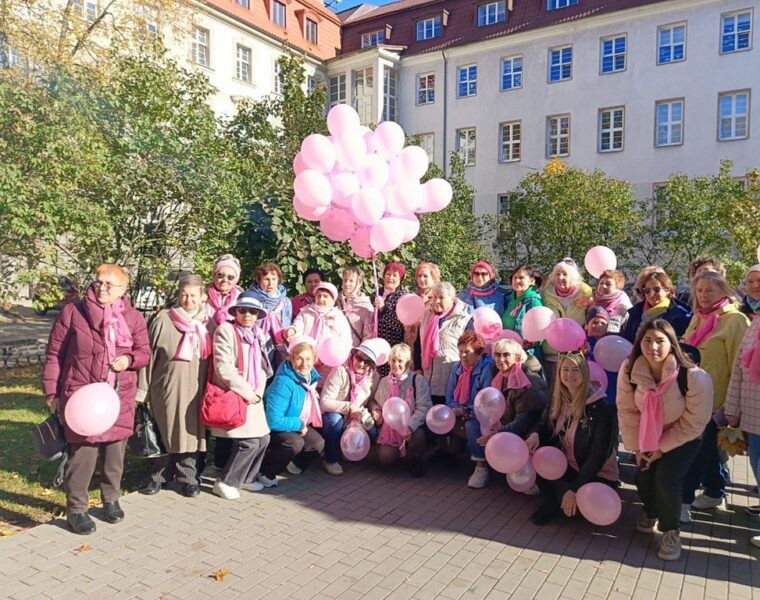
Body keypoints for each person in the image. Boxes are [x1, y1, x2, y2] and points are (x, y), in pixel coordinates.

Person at [42, 264, 150, 535]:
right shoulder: (73, 312)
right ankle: (77, 509)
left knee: (115, 454)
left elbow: (144, 352)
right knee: (83, 455)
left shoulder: (134, 317)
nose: (102, 288)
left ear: (123, 290)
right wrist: (52, 393)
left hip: (118, 397)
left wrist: (129, 359)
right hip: (80, 397)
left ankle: (110, 499)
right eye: (99, 282)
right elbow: (54, 354)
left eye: (109, 285)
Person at [617, 319, 712, 560]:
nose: (653, 348)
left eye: (660, 341)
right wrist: (638, 448)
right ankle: (651, 511)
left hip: (685, 434)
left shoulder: (694, 377)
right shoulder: (629, 370)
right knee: (643, 477)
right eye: (647, 341)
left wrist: (659, 448)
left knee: (666, 480)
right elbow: (627, 410)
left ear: (672, 344)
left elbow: (694, 423)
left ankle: (671, 531)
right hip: (647, 433)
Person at [681, 272, 749, 516]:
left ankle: (683, 501)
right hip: (691, 396)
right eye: (699, 290)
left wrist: (732, 406)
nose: (703, 295)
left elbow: (738, 367)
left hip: (717, 401)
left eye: (710, 290)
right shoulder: (698, 317)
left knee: (697, 450)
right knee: (707, 449)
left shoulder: (735, 320)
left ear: (723, 290)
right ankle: (714, 491)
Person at [137, 274, 210, 497]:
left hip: (196, 388)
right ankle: (158, 476)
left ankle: (188, 478)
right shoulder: (164, 320)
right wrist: (142, 391)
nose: (189, 300)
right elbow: (148, 357)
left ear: (203, 297)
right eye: (184, 295)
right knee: (164, 429)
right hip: (167, 385)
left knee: (191, 432)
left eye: (193, 295)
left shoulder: (208, 324)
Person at [526, 352, 619, 527]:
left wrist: (575, 488)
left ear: (585, 373)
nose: (569, 375)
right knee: (536, 456)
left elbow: (598, 456)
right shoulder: (558, 398)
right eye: (565, 369)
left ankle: (561, 497)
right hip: (566, 464)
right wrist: (535, 434)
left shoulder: (602, 408)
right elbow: (543, 423)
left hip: (595, 472)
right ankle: (555, 499)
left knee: (579, 512)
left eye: (575, 370)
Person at [208, 292, 272, 500]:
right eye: (242, 310)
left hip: (254, 395)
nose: (247, 315)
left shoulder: (258, 334)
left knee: (263, 438)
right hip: (234, 394)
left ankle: (247, 478)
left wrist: (257, 393)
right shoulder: (226, 330)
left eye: (252, 312)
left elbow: (263, 366)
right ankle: (226, 481)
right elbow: (223, 368)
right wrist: (246, 392)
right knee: (249, 443)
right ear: (235, 311)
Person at [477, 338, 548, 493]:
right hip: (512, 425)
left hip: (535, 431)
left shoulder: (527, 381)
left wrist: (496, 435)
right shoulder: (500, 376)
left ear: (517, 357)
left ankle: (530, 475)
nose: (500, 359)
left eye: (506, 355)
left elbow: (525, 422)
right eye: (497, 355)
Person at [259, 338, 326, 486]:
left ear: (314, 359)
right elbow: (273, 421)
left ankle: (292, 464)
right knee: (295, 442)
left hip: (295, 423)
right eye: (299, 359)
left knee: (317, 443)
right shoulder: (283, 382)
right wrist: (299, 425)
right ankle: (265, 471)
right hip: (275, 427)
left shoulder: (310, 379)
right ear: (290, 358)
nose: (304, 364)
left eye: (308, 359)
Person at [319, 339, 384, 476]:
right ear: (353, 354)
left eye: (367, 362)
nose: (361, 364)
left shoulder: (374, 377)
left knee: (374, 433)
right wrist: (349, 407)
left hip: (358, 414)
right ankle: (330, 459)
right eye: (359, 357)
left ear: (372, 365)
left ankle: (348, 451)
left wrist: (375, 410)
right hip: (336, 412)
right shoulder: (340, 370)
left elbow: (370, 399)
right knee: (335, 421)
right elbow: (324, 402)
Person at [369, 343, 432, 477]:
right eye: (393, 360)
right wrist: (376, 410)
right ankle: (400, 455)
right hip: (390, 430)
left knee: (418, 436)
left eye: (400, 361)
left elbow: (424, 407)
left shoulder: (418, 380)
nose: (395, 364)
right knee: (386, 458)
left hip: (412, 428)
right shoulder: (385, 381)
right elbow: (375, 402)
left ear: (408, 363)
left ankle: (417, 459)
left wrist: (410, 426)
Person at [725, 311, 760, 547]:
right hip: (754, 411)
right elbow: (738, 367)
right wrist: (732, 406)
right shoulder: (756, 321)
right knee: (757, 463)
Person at [445, 332, 494, 487]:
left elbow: (487, 400)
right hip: (459, 410)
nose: (463, 356)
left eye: (467, 352)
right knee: (438, 417)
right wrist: (455, 409)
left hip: (478, 414)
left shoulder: (487, 368)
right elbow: (449, 396)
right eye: (460, 352)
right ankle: (450, 455)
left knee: (472, 426)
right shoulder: (456, 368)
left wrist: (465, 411)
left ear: (478, 353)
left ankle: (481, 468)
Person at [540, 259, 593, 390]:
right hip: (552, 354)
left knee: (574, 393)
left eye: (564, 274)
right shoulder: (545, 296)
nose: (560, 278)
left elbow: (591, 322)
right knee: (553, 394)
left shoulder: (584, 296)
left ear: (573, 277)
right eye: (557, 274)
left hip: (576, 355)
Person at [286, 282, 352, 381]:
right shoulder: (305, 312)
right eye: (319, 296)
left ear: (333, 300)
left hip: (327, 363)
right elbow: (297, 326)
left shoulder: (338, 317)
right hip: (306, 360)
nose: (321, 299)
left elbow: (345, 340)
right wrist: (292, 331)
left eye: (325, 296)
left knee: (323, 386)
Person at [417, 282, 471, 404]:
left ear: (452, 298)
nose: (436, 301)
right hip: (426, 378)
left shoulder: (464, 319)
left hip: (450, 379)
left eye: (441, 297)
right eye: (434, 297)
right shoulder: (426, 315)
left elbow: (470, 352)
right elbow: (417, 342)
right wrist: (417, 368)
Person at [620, 268, 691, 343]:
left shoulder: (679, 314)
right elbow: (626, 340)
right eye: (647, 291)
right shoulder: (636, 312)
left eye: (656, 290)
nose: (651, 294)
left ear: (667, 289)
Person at [248, 262, 292, 361]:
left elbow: (288, 323)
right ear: (258, 281)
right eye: (266, 279)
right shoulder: (252, 299)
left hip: (281, 345)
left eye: (274, 279)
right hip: (259, 344)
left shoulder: (286, 302)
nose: (271, 283)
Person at [502, 265, 543, 369]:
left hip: (526, 356)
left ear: (532, 281)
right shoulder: (510, 301)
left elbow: (541, 330)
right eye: (515, 277)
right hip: (509, 354)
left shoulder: (534, 302)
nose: (517, 280)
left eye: (521, 277)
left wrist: (531, 342)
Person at [373, 262, 408, 376]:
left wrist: (383, 308)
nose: (390, 278)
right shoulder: (376, 293)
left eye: (394, 275)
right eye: (388, 274)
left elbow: (398, 324)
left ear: (400, 279)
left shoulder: (402, 297)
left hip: (390, 346)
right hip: (374, 344)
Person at [404, 262, 441, 364]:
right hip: (413, 345)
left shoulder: (438, 298)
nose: (421, 279)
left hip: (430, 345)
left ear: (434, 278)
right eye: (419, 276)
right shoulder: (413, 298)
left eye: (425, 276)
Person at [584, 306, 618, 408]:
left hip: (610, 391)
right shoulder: (581, 343)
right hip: (588, 392)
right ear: (586, 325)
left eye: (603, 323)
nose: (598, 326)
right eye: (594, 322)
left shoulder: (612, 343)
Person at [337, 266, 373, 347]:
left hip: (354, 351)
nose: (347, 284)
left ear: (360, 283)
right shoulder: (334, 301)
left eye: (351, 281)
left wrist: (360, 354)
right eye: (345, 280)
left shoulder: (366, 307)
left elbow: (368, 336)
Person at [205, 254, 244, 327]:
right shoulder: (203, 295)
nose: (225, 280)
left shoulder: (241, 298)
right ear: (214, 276)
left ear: (236, 280)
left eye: (230, 277)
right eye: (221, 276)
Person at [591, 269, 632, 334]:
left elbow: (613, 330)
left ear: (617, 287)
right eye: (601, 283)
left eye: (608, 284)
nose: (603, 286)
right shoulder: (594, 301)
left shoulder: (622, 304)